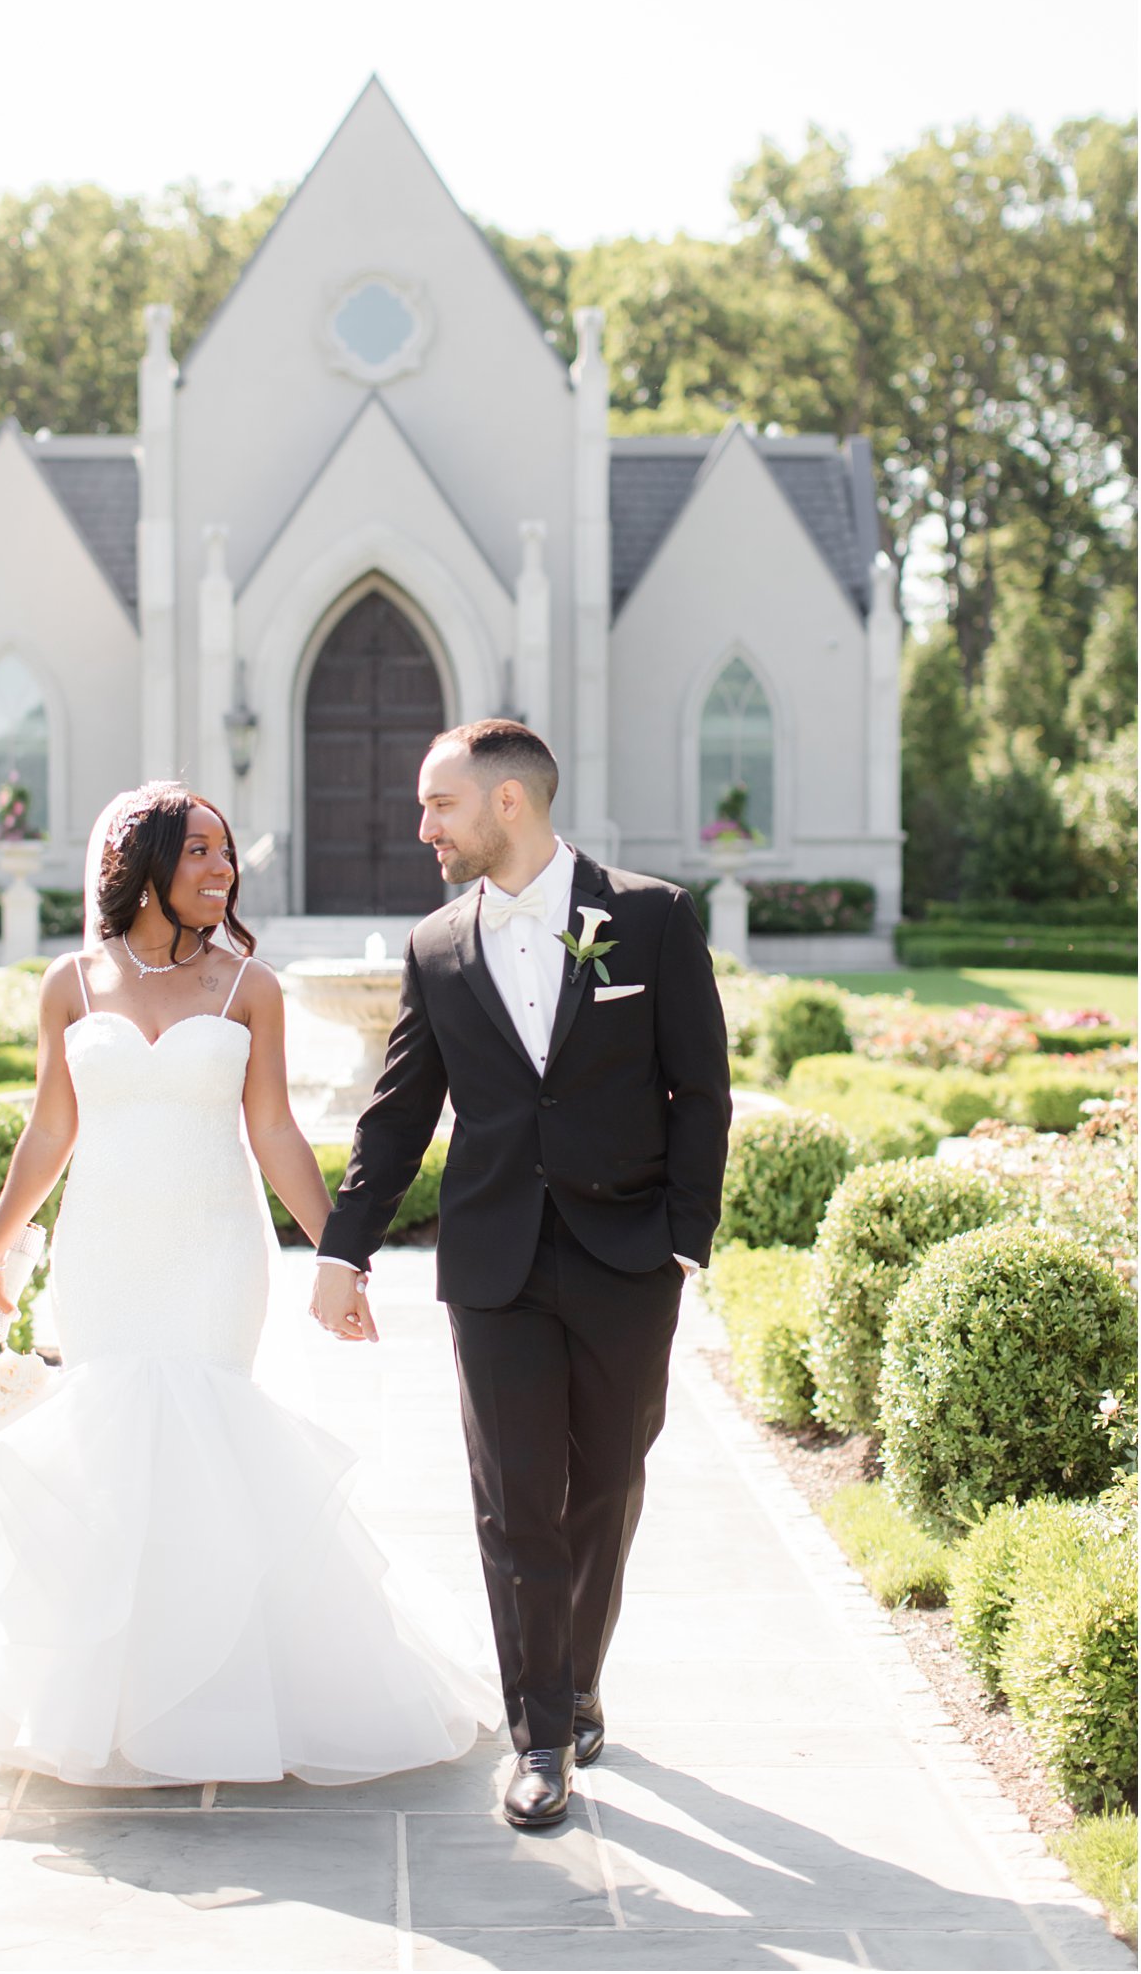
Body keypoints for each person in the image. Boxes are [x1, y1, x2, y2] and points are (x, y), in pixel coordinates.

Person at [0, 780, 496, 1789]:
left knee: (201, 1431)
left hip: (210, 1252)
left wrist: (338, 1254)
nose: (220, 869)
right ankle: (104, 1705)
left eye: (225, 853)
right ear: (140, 862)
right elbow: (49, 1129)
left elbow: (273, 1130)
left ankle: (217, 1695)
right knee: (105, 1448)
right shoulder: (70, 982)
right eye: (197, 850)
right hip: (101, 1249)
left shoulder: (249, 987)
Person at [312, 720, 730, 1830]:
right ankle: (536, 1734)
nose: (420, 829)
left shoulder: (646, 919)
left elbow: (701, 1090)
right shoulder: (437, 945)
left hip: (627, 1257)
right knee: (511, 1504)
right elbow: (397, 1115)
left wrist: (686, 1235)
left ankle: (577, 1672)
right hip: (492, 1263)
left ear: (507, 803)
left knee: (603, 1486)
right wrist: (343, 1248)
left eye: (436, 805)